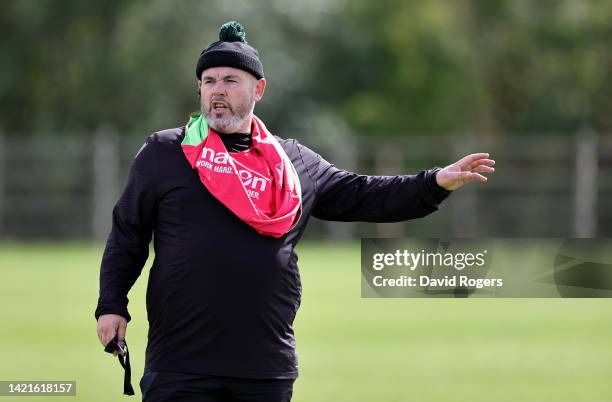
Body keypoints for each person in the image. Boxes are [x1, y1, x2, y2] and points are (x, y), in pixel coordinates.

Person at [95, 21, 495, 402]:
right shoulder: (165, 153)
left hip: (264, 365)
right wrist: (112, 303)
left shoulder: (292, 163)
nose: (217, 91)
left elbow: (363, 194)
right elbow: (128, 231)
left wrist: (434, 182)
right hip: (181, 363)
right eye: (209, 81)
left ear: (259, 89)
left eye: (230, 80)